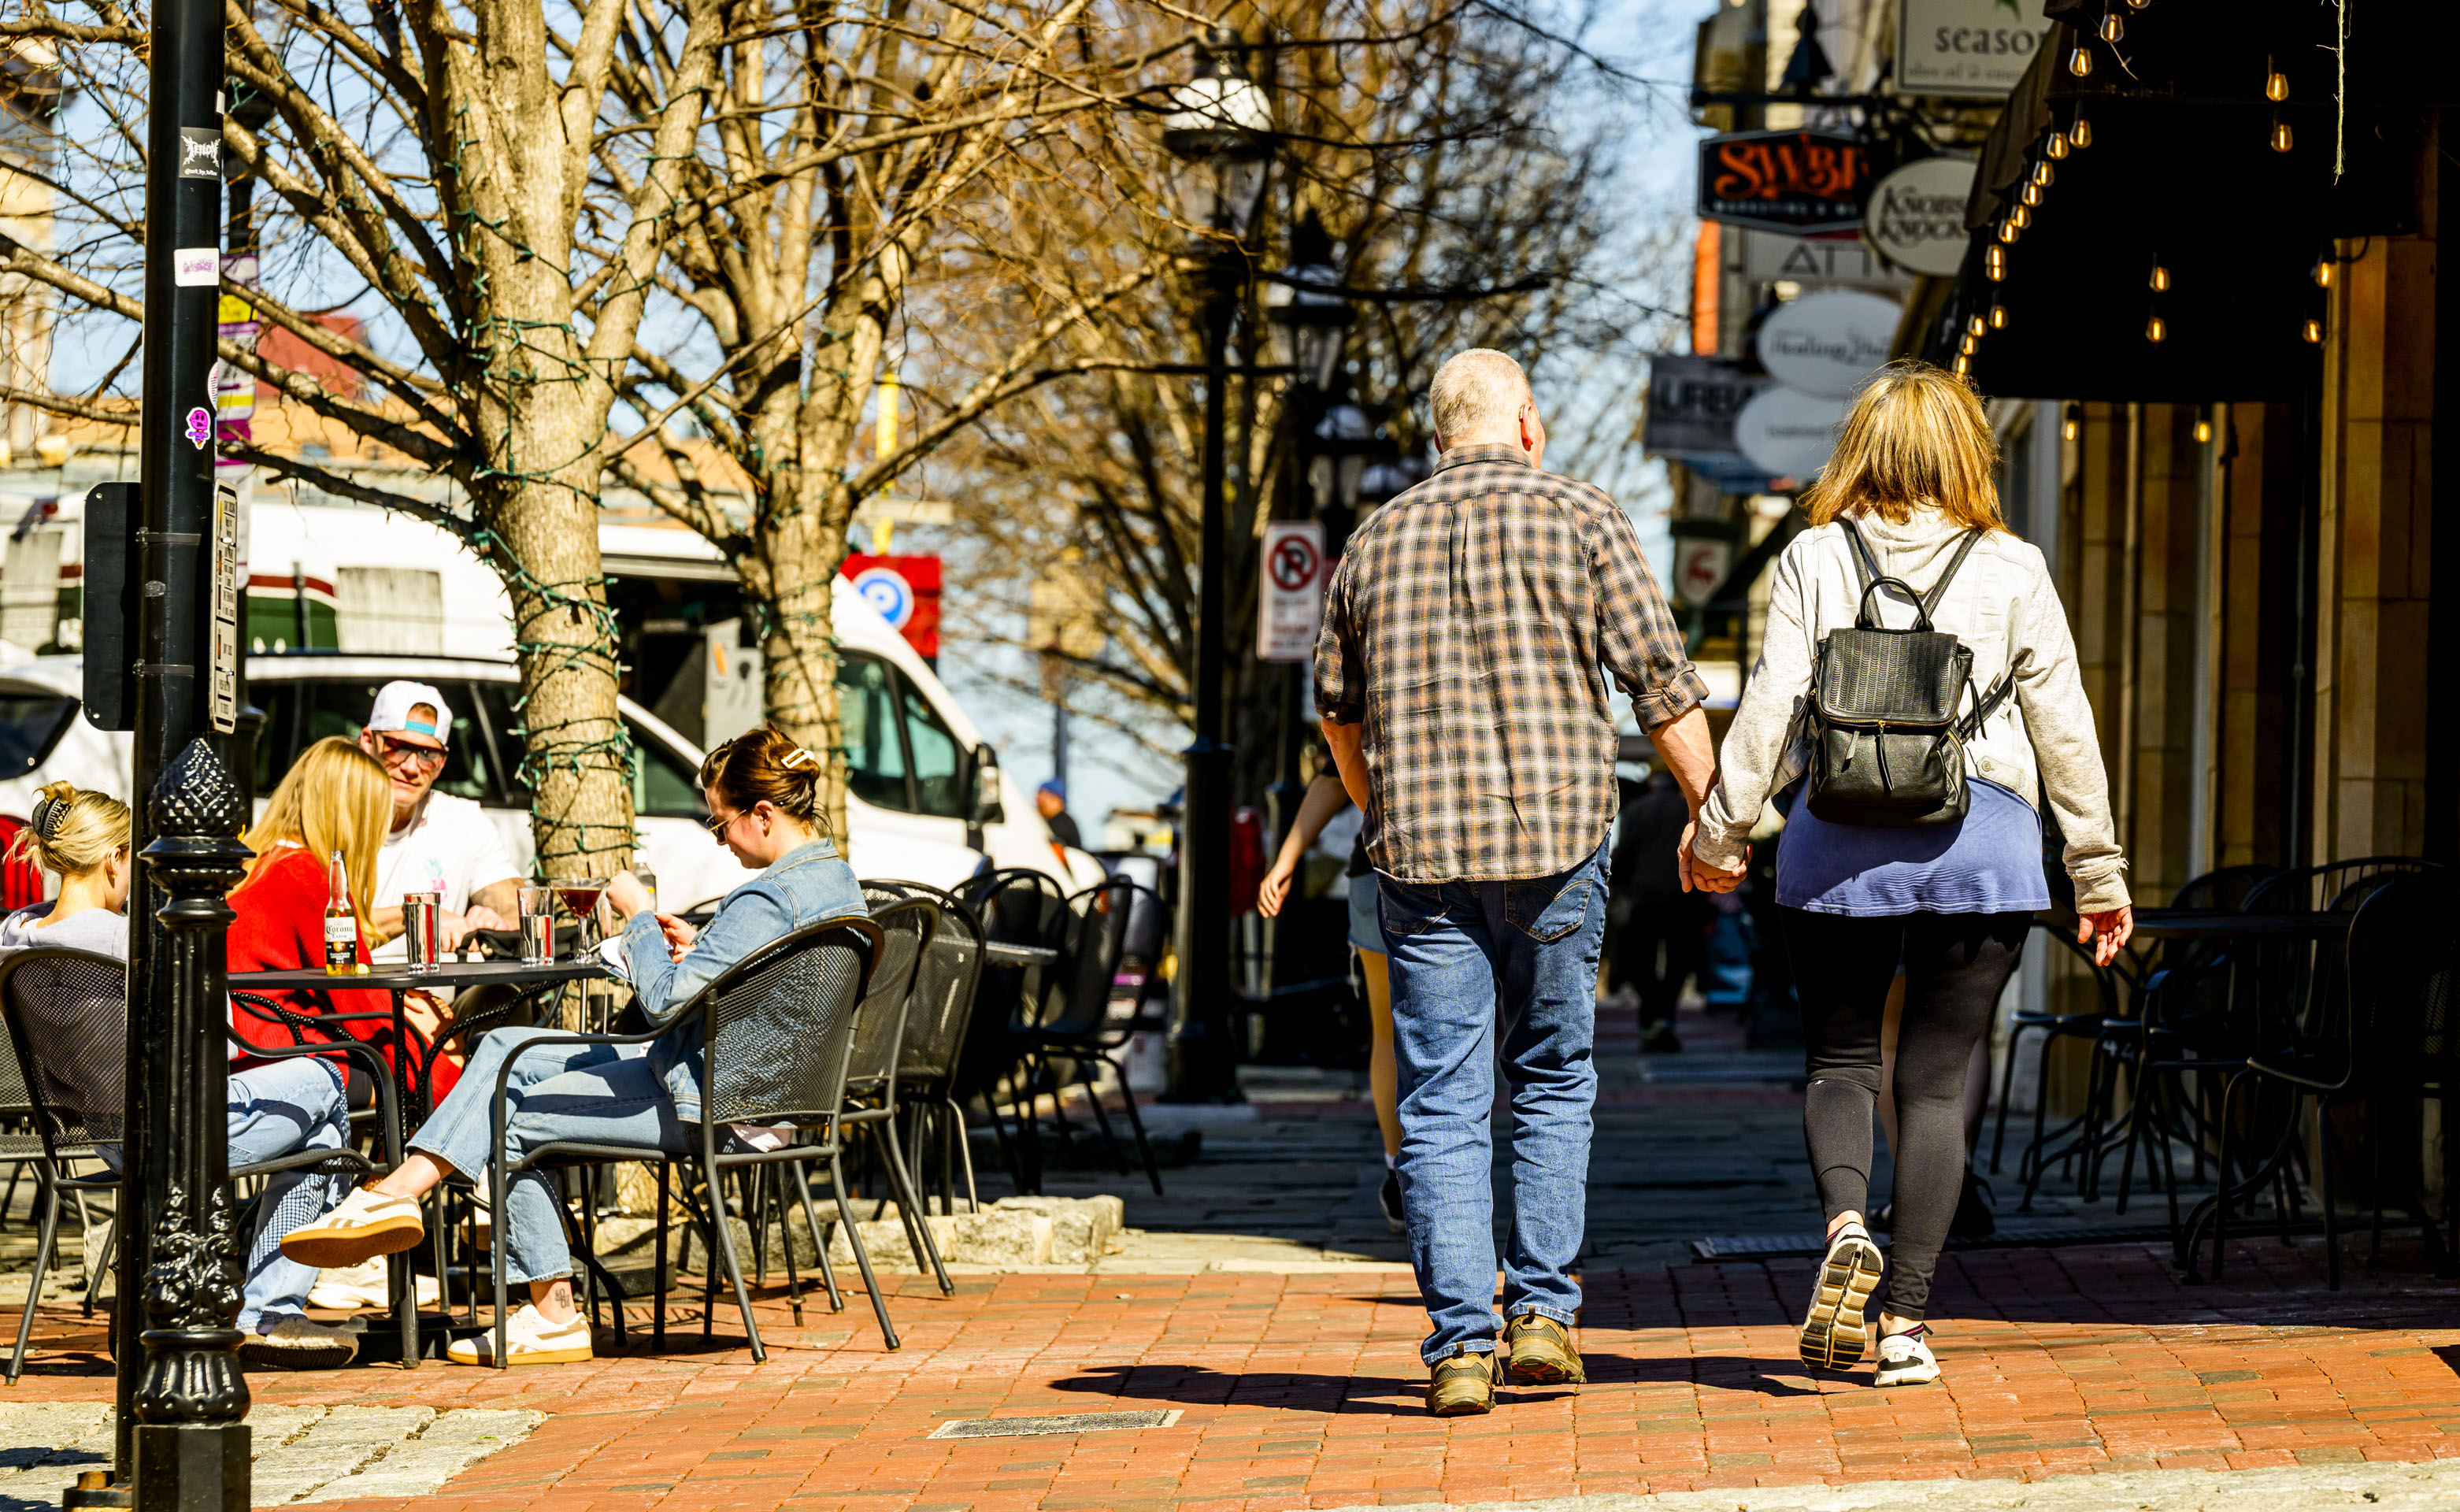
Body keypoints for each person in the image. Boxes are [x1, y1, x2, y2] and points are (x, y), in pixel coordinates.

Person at [1688, 360, 2132, 1390]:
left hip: (1836, 839)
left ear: (1862, 450)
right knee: (1933, 1087)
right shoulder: (2014, 566)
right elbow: (2066, 728)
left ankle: (1848, 1224)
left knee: (1840, 1063)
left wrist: (1723, 830)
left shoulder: (1812, 556)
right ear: (1966, 454)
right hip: (1985, 845)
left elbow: (1769, 704)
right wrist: (2097, 873)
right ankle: (1906, 1327)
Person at [1314, 348, 1718, 1416]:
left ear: (1436, 435)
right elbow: (1662, 686)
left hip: (1421, 861)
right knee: (1549, 1076)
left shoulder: (1373, 540)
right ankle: (1541, 1315)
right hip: (1557, 846)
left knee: (1443, 1100)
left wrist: (1375, 807)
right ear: (1528, 426)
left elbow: (1336, 710)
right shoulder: (1586, 518)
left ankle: (1458, 1346)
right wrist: (1714, 817)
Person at [278, 727, 868, 1366]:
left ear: (763, 814)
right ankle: (399, 1193)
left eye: (718, 825)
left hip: (714, 1100)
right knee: (506, 1045)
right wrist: (707, 950)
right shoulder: (834, 880)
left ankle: (548, 1309)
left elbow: (665, 1000)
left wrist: (640, 915)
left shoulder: (765, 893)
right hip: (750, 1089)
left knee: (508, 1112)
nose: (719, 840)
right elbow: (773, 979)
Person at [0, 783, 363, 1369]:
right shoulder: (128, 942)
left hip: (104, 1137)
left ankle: (255, 1295)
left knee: (317, 1138)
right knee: (328, 1077)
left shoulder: (17, 941)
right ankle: (267, 1308)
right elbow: (215, 1029)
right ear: (115, 858)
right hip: (181, 1135)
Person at [1256, 769, 1402, 1232]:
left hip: (1382, 863)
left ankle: (1400, 1172)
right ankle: (1454, 1175)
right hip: (1481, 869)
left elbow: (1335, 770)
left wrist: (1285, 861)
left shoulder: (1384, 690)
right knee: (1466, 1032)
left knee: (1388, 1032)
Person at [358, 681, 521, 958]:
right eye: (397, 747)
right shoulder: (331, 814)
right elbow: (317, 930)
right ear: (368, 741)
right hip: (350, 996)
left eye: (427, 755)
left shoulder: (464, 819)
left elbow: (520, 910)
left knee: (502, 995)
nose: (411, 767)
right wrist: (417, 914)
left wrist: (492, 920)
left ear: (442, 763)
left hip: (437, 999)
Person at [1607, 766, 1706, 1054]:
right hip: (1684, 896)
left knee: (1644, 962)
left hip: (1644, 897)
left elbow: (1623, 855)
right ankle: (1666, 1019)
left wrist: (1618, 888)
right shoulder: (1688, 810)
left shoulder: (1637, 810)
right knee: (1678, 963)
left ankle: (1651, 1021)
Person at [1036, 779, 1083, 851]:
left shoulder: (1062, 824)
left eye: (1042, 802)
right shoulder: (1055, 821)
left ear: (1056, 799)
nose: (1039, 806)